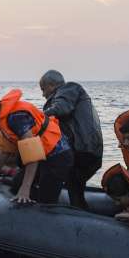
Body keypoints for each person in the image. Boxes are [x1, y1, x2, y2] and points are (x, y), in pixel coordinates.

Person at [0, 88, 73, 204]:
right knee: (16, 185)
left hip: (57, 157)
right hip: (42, 157)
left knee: (46, 200)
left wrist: (25, 189)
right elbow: (5, 150)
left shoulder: (16, 117)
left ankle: (46, 206)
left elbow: (33, 155)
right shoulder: (2, 118)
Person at [39, 70, 103, 209]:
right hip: (89, 151)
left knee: (67, 182)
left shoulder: (69, 88)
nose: (43, 94)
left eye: (43, 89)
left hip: (82, 150)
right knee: (75, 189)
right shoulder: (72, 93)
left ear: (51, 85)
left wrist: (36, 118)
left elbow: (61, 108)